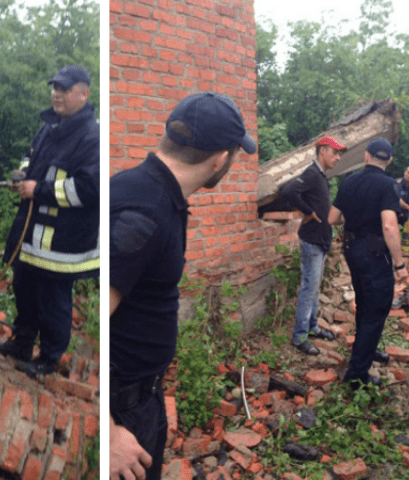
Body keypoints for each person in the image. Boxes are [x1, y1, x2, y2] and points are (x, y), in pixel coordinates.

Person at [109, 92, 257, 480]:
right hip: (120, 410)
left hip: (142, 397)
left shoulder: (140, 188)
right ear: (220, 159)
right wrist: (107, 432)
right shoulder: (145, 212)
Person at [0, 65, 99, 376]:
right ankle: (22, 342)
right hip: (33, 232)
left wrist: (41, 190)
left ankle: (49, 359)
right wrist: (22, 176)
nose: (56, 94)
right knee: (24, 287)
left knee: (53, 300)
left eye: (64, 89)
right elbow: (31, 157)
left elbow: (90, 189)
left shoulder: (93, 136)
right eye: (54, 88)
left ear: (83, 94)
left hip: (63, 240)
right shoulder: (49, 127)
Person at [328, 137, 409, 388]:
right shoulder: (388, 185)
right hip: (375, 253)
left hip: (352, 250)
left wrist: (355, 219)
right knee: (376, 310)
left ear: (366, 156)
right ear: (390, 160)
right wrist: (399, 264)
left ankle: (366, 349)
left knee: (365, 301)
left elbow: (333, 218)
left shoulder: (349, 181)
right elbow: (389, 225)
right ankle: (357, 376)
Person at [278, 136, 345, 355]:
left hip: (321, 240)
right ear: (323, 151)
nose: (337, 158)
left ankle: (313, 326)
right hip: (312, 241)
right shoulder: (311, 173)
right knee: (309, 287)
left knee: (315, 287)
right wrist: (308, 211)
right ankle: (299, 336)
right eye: (335, 153)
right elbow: (288, 191)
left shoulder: (321, 176)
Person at [394, 165, 409, 247]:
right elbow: (398, 201)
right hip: (394, 211)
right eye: (408, 173)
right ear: (405, 172)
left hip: (405, 213)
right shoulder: (397, 183)